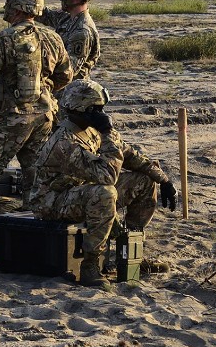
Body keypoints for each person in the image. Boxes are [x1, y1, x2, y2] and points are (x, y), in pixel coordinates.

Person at [25, 79, 178, 287]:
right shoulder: (64, 143)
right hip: (51, 201)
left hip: (79, 189)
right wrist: (107, 132)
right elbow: (108, 176)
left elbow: (129, 155)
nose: (102, 113)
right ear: (83, 109)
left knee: (143, 181)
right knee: (105, 193)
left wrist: (163, 179)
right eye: (96, 109)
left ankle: (132, 256)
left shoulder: (90, 130)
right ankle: (91, 265)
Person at [0, 0, 73, 230]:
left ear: (17, 8)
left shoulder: (3, 40)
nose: (5, 8)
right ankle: (33, 229)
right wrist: (45, 92)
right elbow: (66, 75)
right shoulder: (53, 38)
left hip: (10, 119)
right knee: (35, 177)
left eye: (8, 3)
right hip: (44, 118)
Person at [0, 0, 100, 80]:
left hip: (69, 92)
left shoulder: (82, 31)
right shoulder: (68, 19)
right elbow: (42, 13)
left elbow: (69, 70)